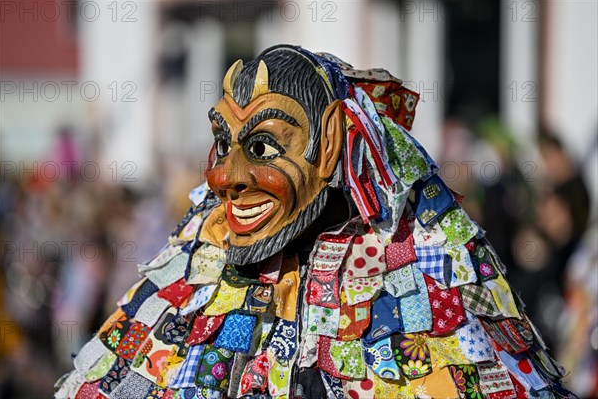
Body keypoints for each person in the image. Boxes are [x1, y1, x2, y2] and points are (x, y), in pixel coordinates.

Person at [55, 45, 575, 399]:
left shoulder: (417, 270)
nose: (226, 176)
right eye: (222, 144)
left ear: (329, 145)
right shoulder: (200, 270)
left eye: (262, 147)